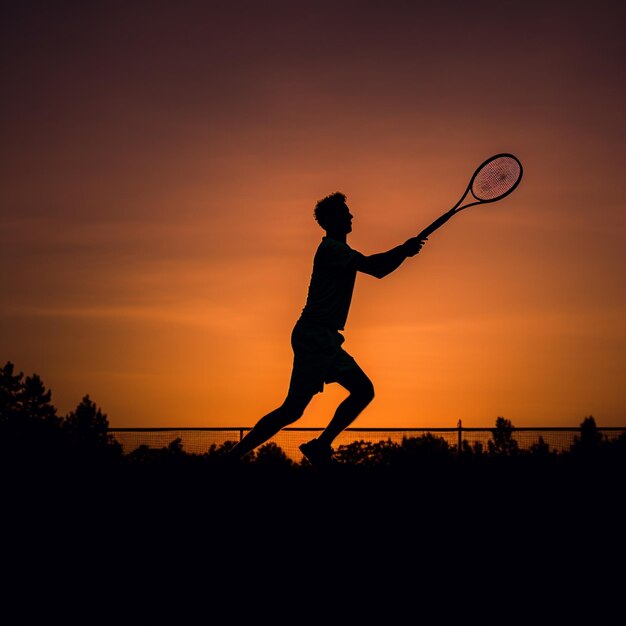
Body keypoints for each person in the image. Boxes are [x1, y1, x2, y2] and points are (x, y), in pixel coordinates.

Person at [228, 192, 427, 468]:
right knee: (294, 409)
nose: (351, 216)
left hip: (325, 338)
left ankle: (319, 445)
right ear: (331, 220)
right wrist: (404, 250)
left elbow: (379, 270)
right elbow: (374, 267)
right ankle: (232, 458)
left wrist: (403, 253)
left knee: (355, 393)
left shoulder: (338, 250)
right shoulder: (332, 249)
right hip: (314, 336)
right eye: (345, 213)